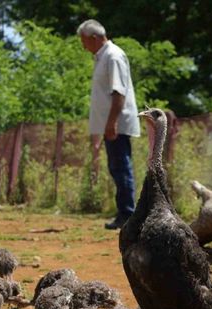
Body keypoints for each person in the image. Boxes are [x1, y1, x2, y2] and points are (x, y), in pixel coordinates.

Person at [77, 19, 140, 230]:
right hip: (111, 124)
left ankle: (128, 215)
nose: (83, 46)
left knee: (121, 168)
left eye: (84, 41)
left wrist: (112, 123)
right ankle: (124, 212)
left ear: (94, 38)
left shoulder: (113, 56)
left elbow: (118, 92)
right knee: (116, 168)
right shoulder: (103, 57)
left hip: (117, 124)